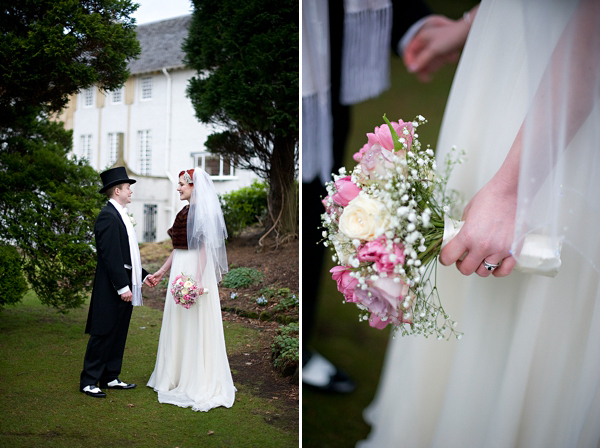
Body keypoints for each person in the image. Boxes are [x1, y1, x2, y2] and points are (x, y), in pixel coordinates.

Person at [359, 0, 600, 446]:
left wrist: (512, 191)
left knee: (538, 297)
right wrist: (472, 22)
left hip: (557, 95)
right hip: (502, 60)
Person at [302, 0, 433, 394]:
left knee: (318, 206)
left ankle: (301, 341)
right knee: (310, 203)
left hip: (323, 76)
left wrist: (414, 25)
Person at [147, 168, 235, 412]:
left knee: (195, 322)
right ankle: (174, 374)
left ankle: (196, 377)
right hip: (179, 269)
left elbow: (206, 248)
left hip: (194, 270)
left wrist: (196, 280)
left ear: (193, 186)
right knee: (179, 321)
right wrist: (162, 272)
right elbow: (178, 247)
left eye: (181, 185)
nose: (178, 188)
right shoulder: (184, 212)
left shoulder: (202, 213)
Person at [80, 166, 156, 398]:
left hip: (124, 284)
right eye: (127, 188)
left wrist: (143, 275)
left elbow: (127, 255)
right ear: (116, 191)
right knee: (103, 332)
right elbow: (110, 255)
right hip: (111, 287)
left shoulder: (120, 215)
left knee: (118, 333)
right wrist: (123, 287)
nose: (131, 191)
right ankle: (89, 380)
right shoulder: (108, 216)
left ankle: (110, 376)